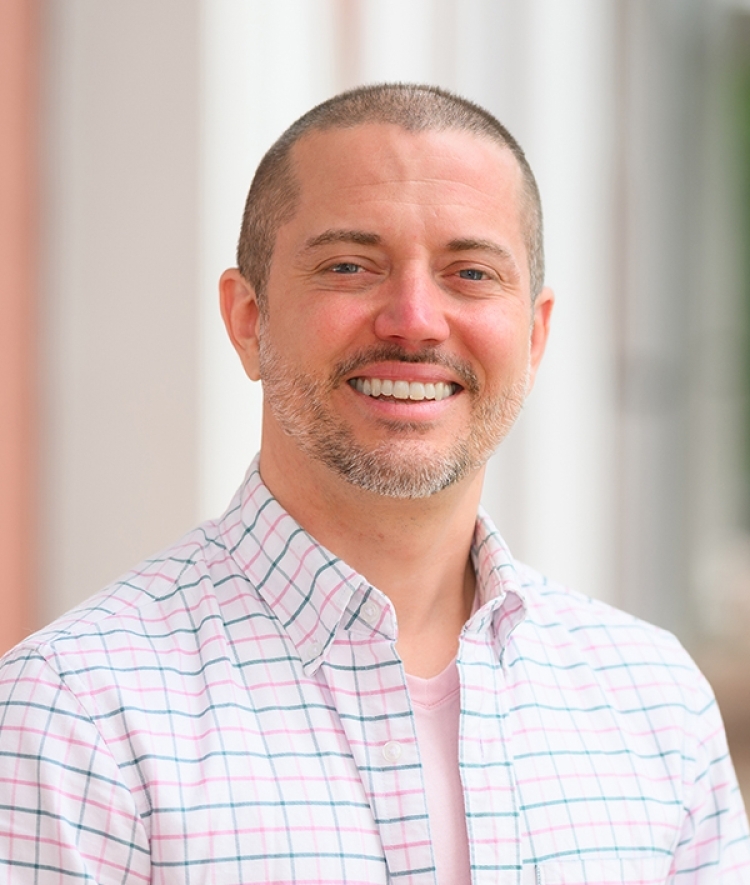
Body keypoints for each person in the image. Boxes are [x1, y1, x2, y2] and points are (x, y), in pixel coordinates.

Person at [0, 83, 748, 885]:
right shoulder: (76, 715)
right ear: (248, 318)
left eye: (470, 271)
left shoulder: (655, 703)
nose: (415, 318)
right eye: (350, 265)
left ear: (534, 336)